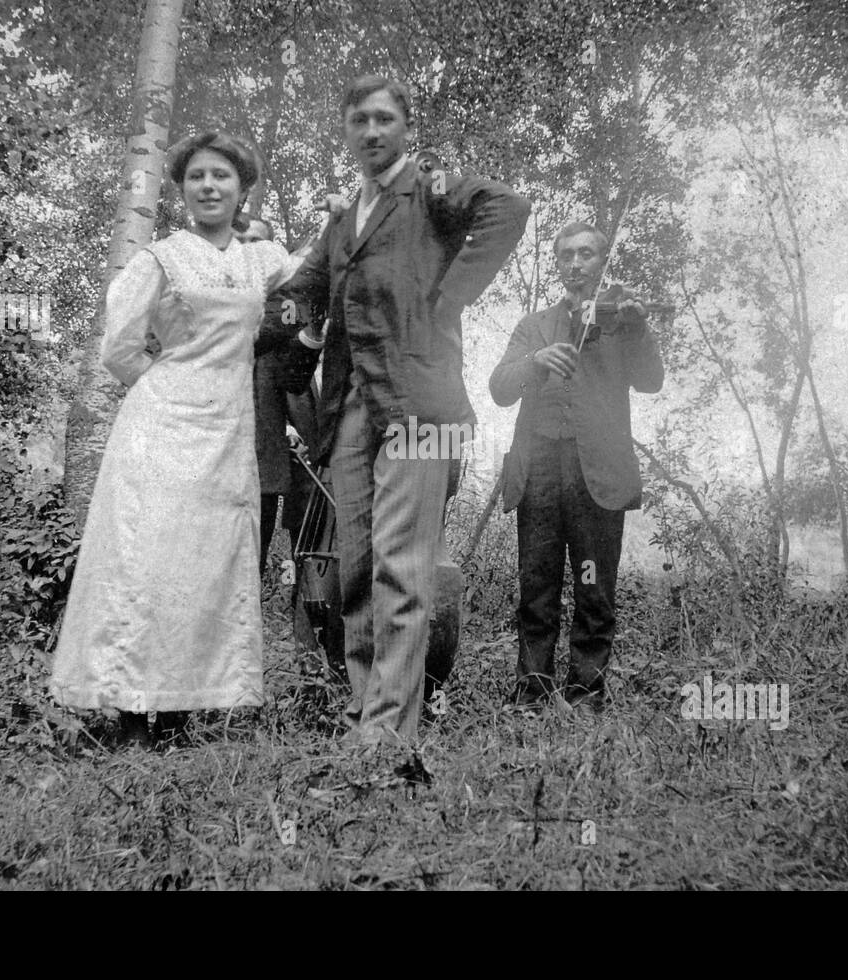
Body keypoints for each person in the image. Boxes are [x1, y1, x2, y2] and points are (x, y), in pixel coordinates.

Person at [279, 75, 530, 749]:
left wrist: (448, 298)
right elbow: (300, 294)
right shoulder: (340, 220)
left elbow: (508, 206)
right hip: (350, 411)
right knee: (355, 565)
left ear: (407, 126)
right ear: (346, 129)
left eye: (384, 117)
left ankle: (390, 733)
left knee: (402, 564)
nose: (371, 130)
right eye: (358, 118)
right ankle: (368, 715)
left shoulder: (432, 190)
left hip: (420, 404)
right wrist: (255, 300)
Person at [50, 132, 303, 747]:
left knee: (205, 567)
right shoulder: (158, 259)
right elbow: (119, 350)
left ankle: (181, 712)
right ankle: (134, 716)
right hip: (160, 431)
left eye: (222, 176)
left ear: (243, 188)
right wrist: (168, 393)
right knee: (150, 565)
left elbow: (317, 278)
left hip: (228, 433)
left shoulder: (260, 258)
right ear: (181, 189)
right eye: (197, 177)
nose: (209, 186)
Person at [488, 220, 663, 713]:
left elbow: (651, 381)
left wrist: (638, 326)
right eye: (566, 255)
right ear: (558, 264)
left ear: (601, 261)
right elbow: (500, 388)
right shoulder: (534, 326)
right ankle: (532, 696)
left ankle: (586, 697)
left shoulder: (621, 323)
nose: (575, 264)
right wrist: (537, 361)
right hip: (540, 473)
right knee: (537, 589)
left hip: (597, 476)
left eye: (586, 254)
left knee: (592, 590)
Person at [234, 213, 319, 580]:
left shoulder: (286, 304)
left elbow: (293, 377)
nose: (250, 250)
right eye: (244, 242)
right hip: (214, 457)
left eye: (259, 243)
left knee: (258, 556)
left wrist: (298, 433)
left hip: (266, 459)